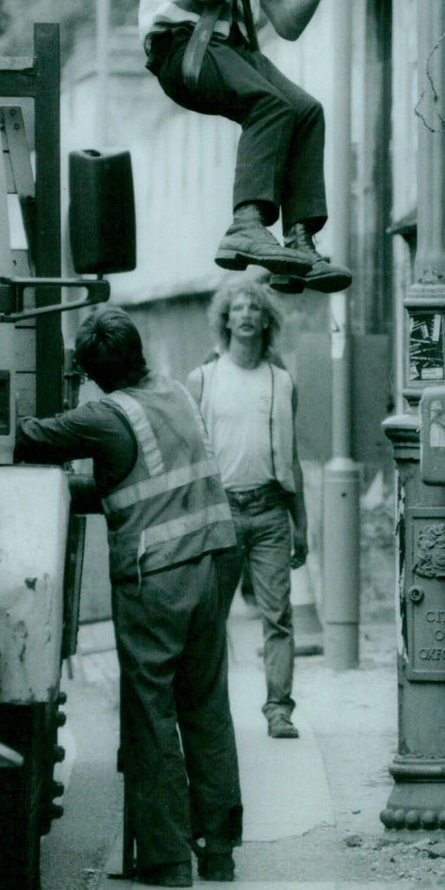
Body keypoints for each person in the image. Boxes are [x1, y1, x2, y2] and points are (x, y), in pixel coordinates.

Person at [14, 306, 242, 888]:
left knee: (151, 715)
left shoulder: (105, 415)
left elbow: (30, 438)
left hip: (157, 579)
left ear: (94, 372)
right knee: (207, 709)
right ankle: (219, 852)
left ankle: (165, 861)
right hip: (214, 562)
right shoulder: (175, 392)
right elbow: (141, 482)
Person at [139, 0, 353, 295]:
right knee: (270, 104)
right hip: (182, 48)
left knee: (305, 111)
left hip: (228, 50)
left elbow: (290, 23)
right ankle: (246, 224)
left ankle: (298, 243)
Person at [187, 276, 308, 739]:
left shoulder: (281, 381)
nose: (245, 315)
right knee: (210, 620)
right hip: (220, 513)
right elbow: (190, 456)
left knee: (278, 616)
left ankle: (279, 710)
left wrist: (302, 524)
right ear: (225, 319)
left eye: (254, 308)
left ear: (266, 321)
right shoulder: (204, 379)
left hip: (271, 512)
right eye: (237, 308)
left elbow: (291, 454)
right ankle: (208, 710)